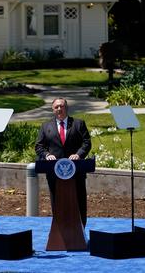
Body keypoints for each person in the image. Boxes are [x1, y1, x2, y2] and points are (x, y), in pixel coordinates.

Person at [35, 97, 91, 226]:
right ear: (52, 109)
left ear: (67, 108)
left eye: (62, 106)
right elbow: (39, 146)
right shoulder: (45, 126)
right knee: (57, 200)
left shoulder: (78, 124)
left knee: (79, 199)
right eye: (56, 107)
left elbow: (86, 143)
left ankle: (81, 228)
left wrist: (78, 154)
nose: (59, 109)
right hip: (54, 173)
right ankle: (59, 228)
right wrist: (47, 154)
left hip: (76, 171)